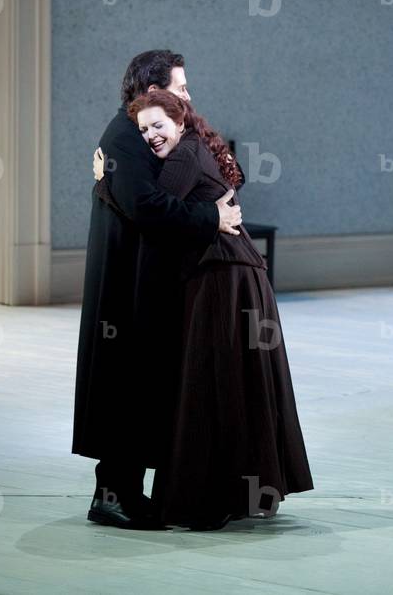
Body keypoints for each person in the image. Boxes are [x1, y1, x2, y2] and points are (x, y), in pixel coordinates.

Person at [95, 90, 313, 529]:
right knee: (229, 383)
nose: (151, 135)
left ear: (180, 123)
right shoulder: (195, 148)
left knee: (211, 383)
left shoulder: (184, 156)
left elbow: (150, 213)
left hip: (222, 277)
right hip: (234, 274)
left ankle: (206, 500)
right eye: (143, 129)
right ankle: (229, 494)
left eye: (158, 125)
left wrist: (104, 185)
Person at [73, 50, 243, 530]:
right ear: (154, 90)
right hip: (125, 287)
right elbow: (148, 206)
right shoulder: (125, 136)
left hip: (147, 281)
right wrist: (213, 217)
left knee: (143, 390)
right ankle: (112, 497)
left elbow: (217, 167)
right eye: (180, 86)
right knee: (125, 390)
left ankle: (129, 494)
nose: (188, 94)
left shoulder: (153, 129)